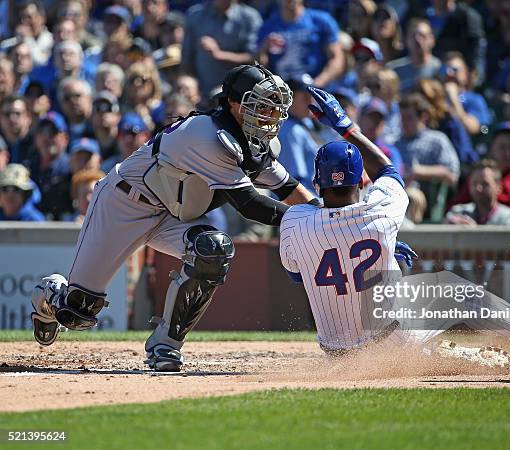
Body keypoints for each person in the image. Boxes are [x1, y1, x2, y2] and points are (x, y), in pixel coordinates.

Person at [31, 64, 315, 372]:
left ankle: (165, 344)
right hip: (124, 204)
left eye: (273, 108)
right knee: (78, 312)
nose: (269, 116)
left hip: (170, 215)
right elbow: (250, 205)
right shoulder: (207, 135)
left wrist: (326, 213)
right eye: (261, 106)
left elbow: (289, 188)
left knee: (213, 249)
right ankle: (49, 293)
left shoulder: (253, 143)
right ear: (235, 104)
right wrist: (308, 221)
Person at [279, 86, 510, 362]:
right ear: (360, 180)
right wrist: (346, 128)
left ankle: (431, 356)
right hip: (389, 339)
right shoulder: (381, 211)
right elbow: (388, 169)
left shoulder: (294, 220)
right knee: (456, 290)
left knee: (394, 291)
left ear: (317, 183)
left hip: (337, 353)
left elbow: (299, 276)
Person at [181, 0, 262, 101]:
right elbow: (187, 58)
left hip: (236, 96)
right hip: (201, 96)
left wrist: (219, 54)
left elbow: (254, 57)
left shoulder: (249, 17)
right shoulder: (195, 15)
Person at [256, 0, 344, 87]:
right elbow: (260, 64)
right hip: (282, 90)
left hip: (318, 89)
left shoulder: (322, 21)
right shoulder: (267, 27)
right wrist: (264, 49)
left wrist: (317, 84)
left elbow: (336, 58)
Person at [445, 159, 510, 227]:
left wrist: (473, 234)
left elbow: (509, 243)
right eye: (474, 183)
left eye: (485, 184)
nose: (478, 188)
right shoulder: (458, 212)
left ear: (499, 187)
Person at [387, 18, 441, 93]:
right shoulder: (393, 71)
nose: (417, 40)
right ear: (406, 40)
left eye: (422, 36)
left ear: (432, 40)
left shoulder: (439, 69)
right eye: (413, 36)